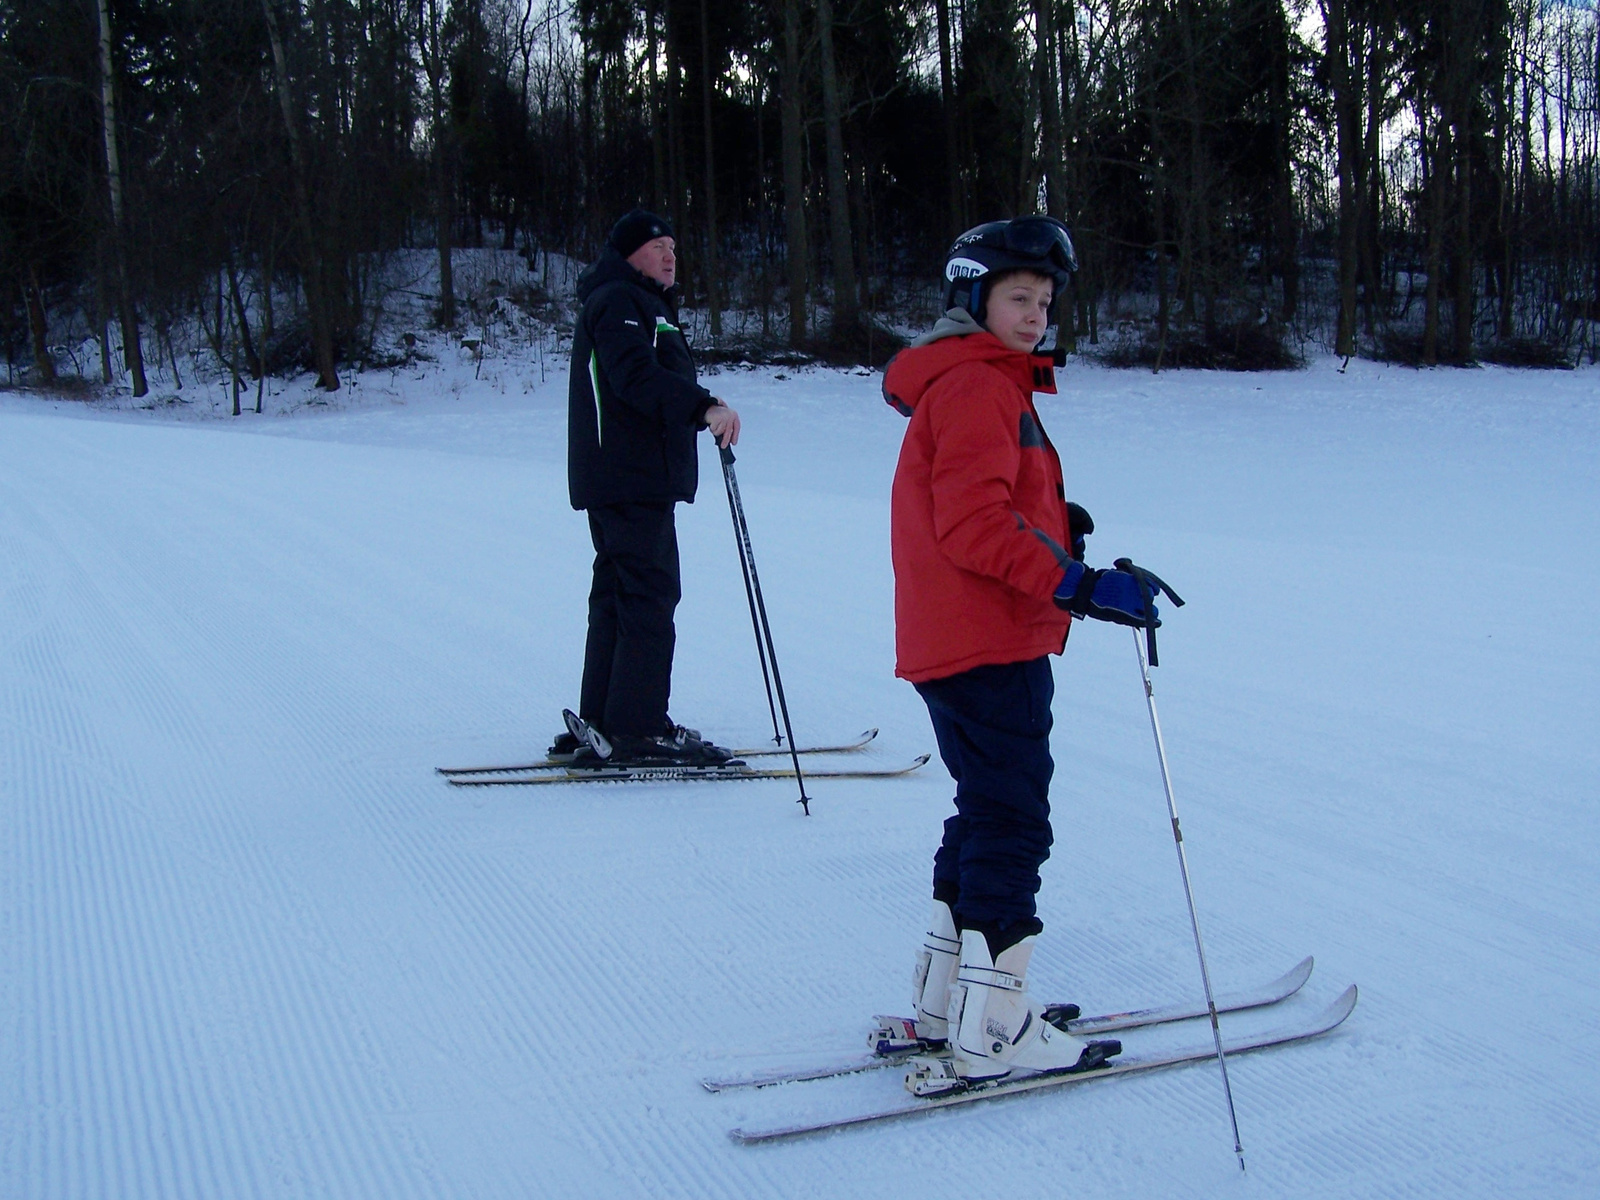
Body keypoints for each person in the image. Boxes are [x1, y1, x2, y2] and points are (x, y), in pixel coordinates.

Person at [880, 216, 1165, 1093]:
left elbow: (987, 502)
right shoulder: (976, 386)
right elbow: (972, 525)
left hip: (958, 641)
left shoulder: (980, 383)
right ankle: (995, 1025)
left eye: (1043, 300)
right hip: (987, 640)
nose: (1035, 313)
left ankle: (947, 1002)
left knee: (983, 808)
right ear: (972, 299)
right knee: (1013, 819)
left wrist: (1058, 535)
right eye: (1017, 297)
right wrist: (1075, 583)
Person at [556, 209, 742, 766]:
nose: (669, 255)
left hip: (625, 478)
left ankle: (605, 720)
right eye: (658, 245)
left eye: (673, 246)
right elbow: (634, 377)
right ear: (629, 253)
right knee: (649, 595)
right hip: (629, 478)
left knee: (620, 592)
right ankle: (637, 727)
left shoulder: (633, 302)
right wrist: (703, 405)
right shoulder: (620, 301)